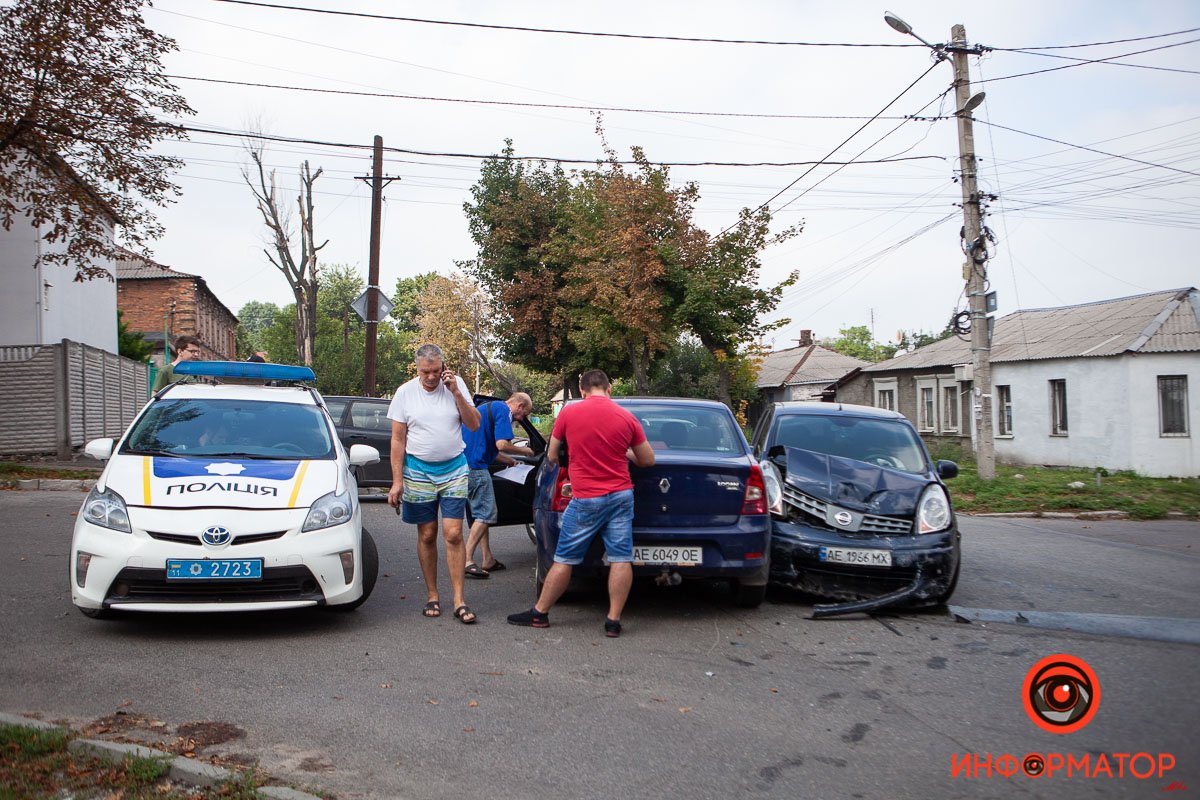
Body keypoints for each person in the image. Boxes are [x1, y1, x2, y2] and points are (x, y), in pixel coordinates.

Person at [507, 370, 655, 638]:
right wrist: (626, 452)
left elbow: (552, 455)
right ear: (609, 389)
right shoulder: (627, 417)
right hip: (621, 496)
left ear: (582, 390)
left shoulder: (569, 413)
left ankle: (540, 614)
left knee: (564, 558)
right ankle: (613, 620)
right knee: (621, 558)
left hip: (587, 498)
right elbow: (648, 460)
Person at [386, 344, 482, 624]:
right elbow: (397, 439)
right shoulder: (405, 393)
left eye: (436, 371)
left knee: (453, 533)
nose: (431, 377)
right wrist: (396, 481)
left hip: (454, 468)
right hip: (418, 471)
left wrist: (455, 393)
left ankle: (459, 600)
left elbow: (474, 425)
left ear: (443, 367)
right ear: (417, 369)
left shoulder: (456, 386)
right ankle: (432, 594)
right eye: (425, 372)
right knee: (427, 534)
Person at [462, 392, 535, 579]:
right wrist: (524, 450)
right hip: (477, 469)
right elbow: (502, 444)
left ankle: (488, 559)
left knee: (480, 514)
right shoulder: (504, 410)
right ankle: (466, 559)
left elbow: (492, 451)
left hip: (464, 467)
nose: (519, 420)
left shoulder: (487, 409)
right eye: (523, 415)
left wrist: (510, 461)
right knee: (487, 514)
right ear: (519, 406)